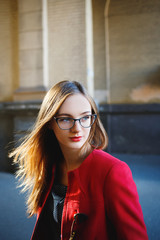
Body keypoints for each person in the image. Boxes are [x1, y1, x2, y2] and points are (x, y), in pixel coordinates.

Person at [10, 80, 148, 240]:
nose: (77, 129)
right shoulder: (50, 165)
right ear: (49, 123)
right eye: (65, 119)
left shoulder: (112, 171)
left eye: (85, 117)